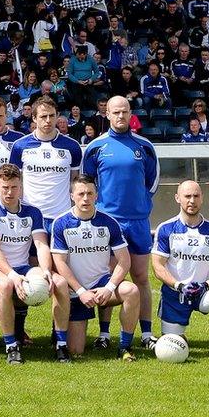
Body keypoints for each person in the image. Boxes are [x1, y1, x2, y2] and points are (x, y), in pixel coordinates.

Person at [82, 96, 160, 350]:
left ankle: (146, 334)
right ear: (107, 114)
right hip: (109, 223)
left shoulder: (144, 146)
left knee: (141, 277)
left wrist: (140, 203)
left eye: (125, 112)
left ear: (130, 113)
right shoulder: (96, 147)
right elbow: (87, 183)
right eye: (116, 112)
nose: (121, 116)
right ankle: (104, 335)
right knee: (109, 278)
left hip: (137, 221)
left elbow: (153, 181)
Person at [0, 164, 72, 363]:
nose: (9, 192)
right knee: (4, 286)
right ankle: (11, 346)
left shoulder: (33, 212)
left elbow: (40, 244)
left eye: (14, 187)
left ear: (21, 187)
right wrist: (12, 275)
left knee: (61, 283)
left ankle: (61, 344)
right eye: (5, 187)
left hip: (25, 267)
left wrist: (47, 271)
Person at [152, 181, 209, 367]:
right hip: (176, 294)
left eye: (196, 196)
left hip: (204, 292)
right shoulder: (166, 229)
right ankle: (173, 334)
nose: (192, 200)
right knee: (172, 346)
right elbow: (158, 266)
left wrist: (206, 285)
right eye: (187, 196)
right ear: (178, 198)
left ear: (202, 198)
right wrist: (179, 285)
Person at [51, 175, 139, 361]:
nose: (85, 198)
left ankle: (124, 347)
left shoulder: (109, 223)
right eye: (81, 193)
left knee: (131, 290)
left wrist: (109, 288)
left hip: (101, 285)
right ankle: (59, 337)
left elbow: (124, 261)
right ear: (71, 196)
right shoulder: (61, 223)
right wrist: (81, 291)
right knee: (76, 350)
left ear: (96, 195)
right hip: (75, 291)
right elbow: (59, 263)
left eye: (90, 193)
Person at [8, 97, 82, 232]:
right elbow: (16, 182)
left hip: (62, 216)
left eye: (52, 115)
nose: (48, 120)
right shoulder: (20, 146)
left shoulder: (72, 146)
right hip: (30, 216)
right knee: (32, 254)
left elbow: (75, 182)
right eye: (43, 116)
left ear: (57, 116)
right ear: (34, 118)